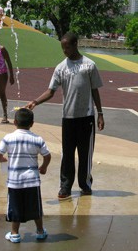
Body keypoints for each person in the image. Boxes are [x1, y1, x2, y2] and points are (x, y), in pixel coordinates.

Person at [25, 32, 104, 199]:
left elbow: (95, 90)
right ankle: (65, 186)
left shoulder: (89, 65)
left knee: (85, 154)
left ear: (76, 44)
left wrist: (100, 114)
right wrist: (35, 102)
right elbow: (51, 91)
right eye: (62, 47)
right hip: (68, 118)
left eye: (67, 47)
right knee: (67, 154)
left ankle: (85, 184)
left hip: (86, 118)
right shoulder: (61, 67)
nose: (64, 50)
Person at [0, 108, 51, 243]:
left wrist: (3, 160)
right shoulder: (37, 139)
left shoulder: (8, 138)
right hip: (32, 180)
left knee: (15, 207)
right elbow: (47, 155)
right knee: (35, 207)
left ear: (14, 122)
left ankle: (14, 234)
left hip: (15, 181)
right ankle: (40, 231)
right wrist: (43, 167)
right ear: (32, 123)